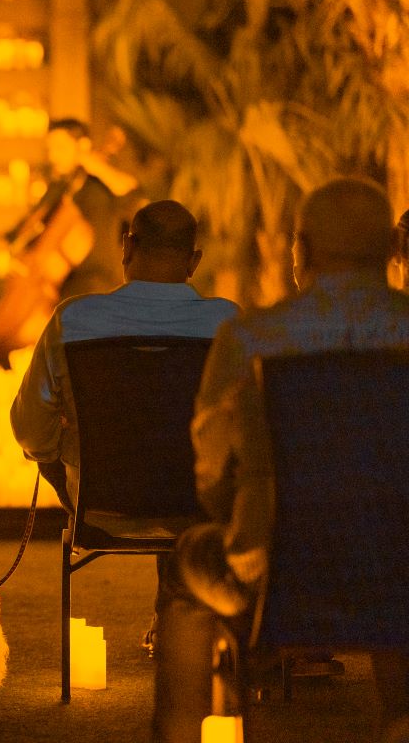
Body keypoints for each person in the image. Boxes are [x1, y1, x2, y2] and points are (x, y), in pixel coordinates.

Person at [152, 178, 409, 743]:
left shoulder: (249, 339)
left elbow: (211, 475)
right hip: (401, 571)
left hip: (277, 579)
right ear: (392, 250)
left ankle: (184, 730)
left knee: (185, 570)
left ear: (303, 250)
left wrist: (243, 520)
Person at [11, 200, 238, 514]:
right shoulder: (227, 324)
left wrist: (63, 442)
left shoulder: (75, 318)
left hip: (100, 499)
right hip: (196, 498)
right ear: (194, 261)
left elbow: (29, 429)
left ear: (127, 247)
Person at [37, 118, 141, 299]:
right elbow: (35, 224)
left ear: (82, 146)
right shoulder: (58, 188)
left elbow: (131, 194)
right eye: (50, 150)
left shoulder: (100, 183)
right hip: (61, 285)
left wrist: (97, 166)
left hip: (98, 283)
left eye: (60, 148)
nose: (52, 156)